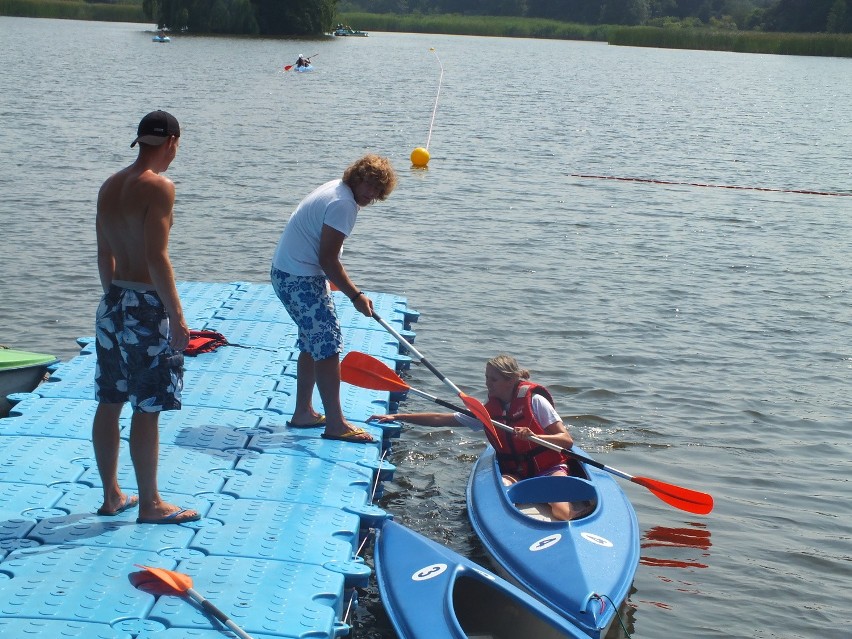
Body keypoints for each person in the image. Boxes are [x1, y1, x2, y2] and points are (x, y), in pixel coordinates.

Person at [92, 110, 200, 525]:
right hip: (145, 307)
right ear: (172, 141)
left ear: (141, 142)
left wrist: (114, 302)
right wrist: (176, 316)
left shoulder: (109, 185)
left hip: (113, 303)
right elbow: (156, 257)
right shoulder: (160, 186)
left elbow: (105, 255)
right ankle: (151, 503)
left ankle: (112, 495)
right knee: (147, 405)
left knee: (110, 399)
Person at [370, 355, 594, 520]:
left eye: (493, 380)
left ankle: (580, 512)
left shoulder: (535, 402)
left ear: (509, 381)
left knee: (561, 512)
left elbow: (566, 440)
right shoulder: (488, 412)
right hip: (516, 473)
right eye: (486, 378)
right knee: (500, 497)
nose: (487, 384)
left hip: (549, 469)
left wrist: (534, 436)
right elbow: (442, 419)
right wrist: (397, 415)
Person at [271, 154, 397, 444]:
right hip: (299, 278)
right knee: (327, 346)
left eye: (378, 190)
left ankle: (303, 411)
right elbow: (327, 258)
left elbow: (324, 256)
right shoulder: (343, 204)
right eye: (368, 184)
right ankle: (336, 424)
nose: (371, 194)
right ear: (356, 177)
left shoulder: (337, 191)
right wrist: (356, 295)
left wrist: (336, 284)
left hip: (287, 273)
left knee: (312, 342)